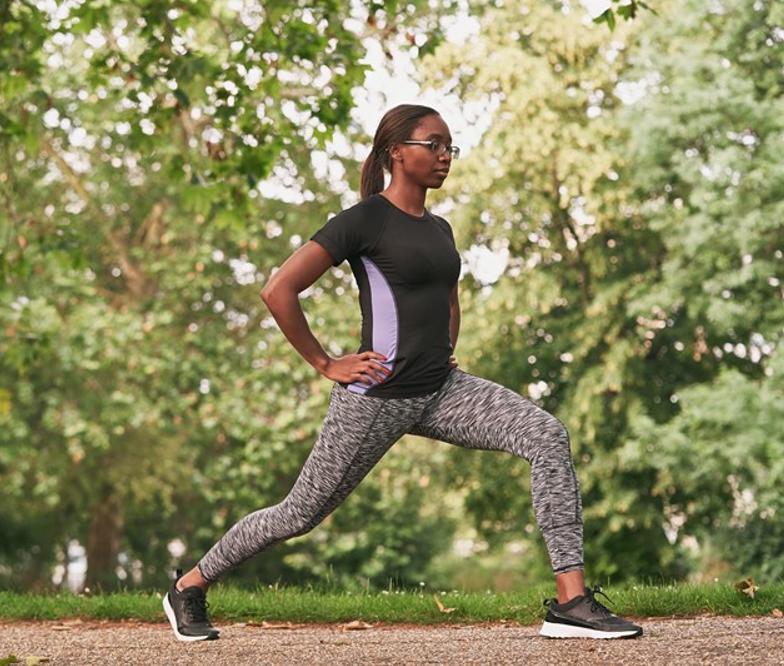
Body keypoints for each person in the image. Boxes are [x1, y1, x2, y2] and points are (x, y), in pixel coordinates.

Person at [163, 104, 643, 642]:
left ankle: (570, 602)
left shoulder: (439, 228)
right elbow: (278, 290)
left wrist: (444, 350)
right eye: (433, 145)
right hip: (376, 398)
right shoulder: (366, 219)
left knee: (547, 435)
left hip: (441, 390)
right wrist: (327, 363)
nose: (444, 157)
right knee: (299, 514)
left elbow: (448, 299)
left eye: (449, 148)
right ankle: (189, 587)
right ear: (397, 152)